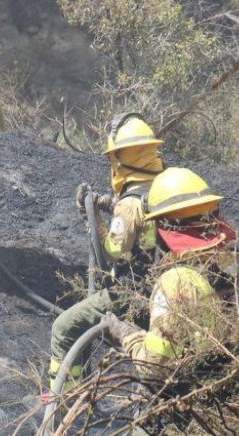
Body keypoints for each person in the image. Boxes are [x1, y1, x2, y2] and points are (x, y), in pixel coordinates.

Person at [95, 167, 239, 392]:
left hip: (195, 405)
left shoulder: (177, 282)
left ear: (163, 228)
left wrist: (126, 335)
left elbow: (153, 370)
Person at [47, 113, 166, 392]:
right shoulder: (167, 186)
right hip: (163, 292)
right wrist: (106, 203)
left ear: (122, 157)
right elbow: (143, 219)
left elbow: (113, 252)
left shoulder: (130, 204)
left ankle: (64, 402)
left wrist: (94, 221)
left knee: (63, 328)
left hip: (131, 293)